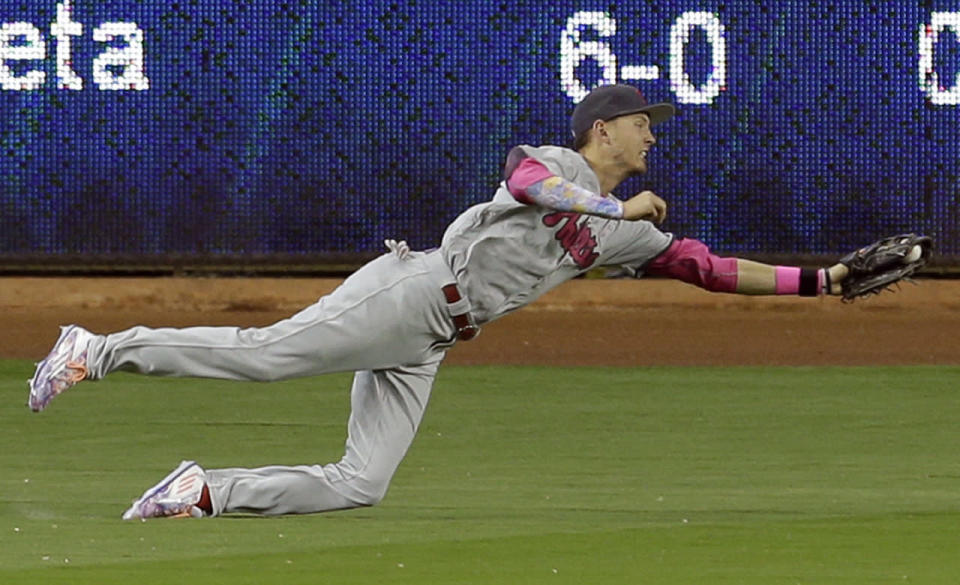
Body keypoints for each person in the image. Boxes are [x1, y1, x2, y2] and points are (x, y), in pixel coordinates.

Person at [27, 84, 851, 520]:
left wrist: (825, 283)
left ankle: (203, 491)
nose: (653, 135)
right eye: (643, 122)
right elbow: (529, 183)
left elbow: (711, 268)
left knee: (361, 483)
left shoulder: (634, 233)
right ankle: (93, 349)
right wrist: (610, 206)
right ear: (605, 130)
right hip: (415, 288)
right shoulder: (557, 158)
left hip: (432, 338)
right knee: (266, 353)